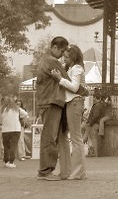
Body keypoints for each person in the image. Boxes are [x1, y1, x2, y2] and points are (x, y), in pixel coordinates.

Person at [36, 36, 72, 181]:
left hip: (49, 101)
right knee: (50, 137)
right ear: (55, 47)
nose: (63, 54)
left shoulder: (45, 60)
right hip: (51, 102)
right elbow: (68, 81)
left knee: (50, 136)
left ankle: (46, 169)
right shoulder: (51, 61)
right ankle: (45, 171)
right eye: (62, 50)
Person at [51, 44, 87, 180]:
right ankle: (71, 171)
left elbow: (74, 87)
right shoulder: (70, 68)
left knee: (76, 139)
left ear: (73, 57)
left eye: (66, 57)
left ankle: (78, 172)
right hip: (69, 103)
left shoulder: (77, 68)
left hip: (75, 102)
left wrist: (60, 79)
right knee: (67, 137)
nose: (64, 59)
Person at [1, 96, 28, 168]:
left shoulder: (2, 109)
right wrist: (19, 118)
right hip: (15, 130)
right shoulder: (17, 108)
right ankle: (11, 162)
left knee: (6, 146)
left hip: (5, 130)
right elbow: (25, 114)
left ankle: (6, 162)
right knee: (13, 146)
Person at [84, 92, 113, 157]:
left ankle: (89, 149)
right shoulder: (100, 104)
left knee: (89, 133)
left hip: (95, 123)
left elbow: (95, 115)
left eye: (93, 97)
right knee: (88, 133)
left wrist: (90, 123)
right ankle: (90, 150)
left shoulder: (99, 105)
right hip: (94, 123)